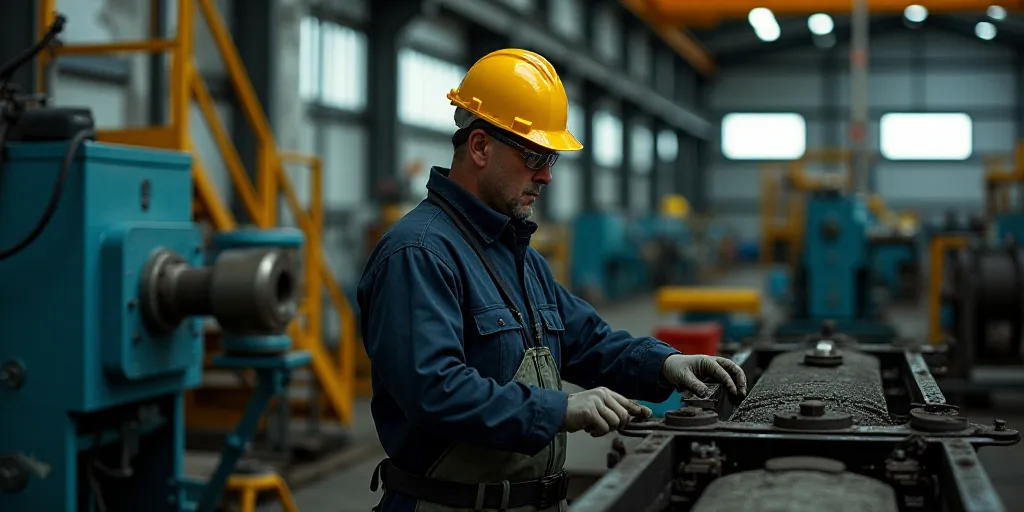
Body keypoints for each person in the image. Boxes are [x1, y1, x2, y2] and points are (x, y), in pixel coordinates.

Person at [358, 48, 747, 512]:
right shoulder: (419, 253)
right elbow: (434, 390)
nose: (545, 176)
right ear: (480, 147)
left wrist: (666, 365)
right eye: (533, 156)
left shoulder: (517, 255)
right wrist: (559, 409)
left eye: (551, 159)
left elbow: (586, 340)